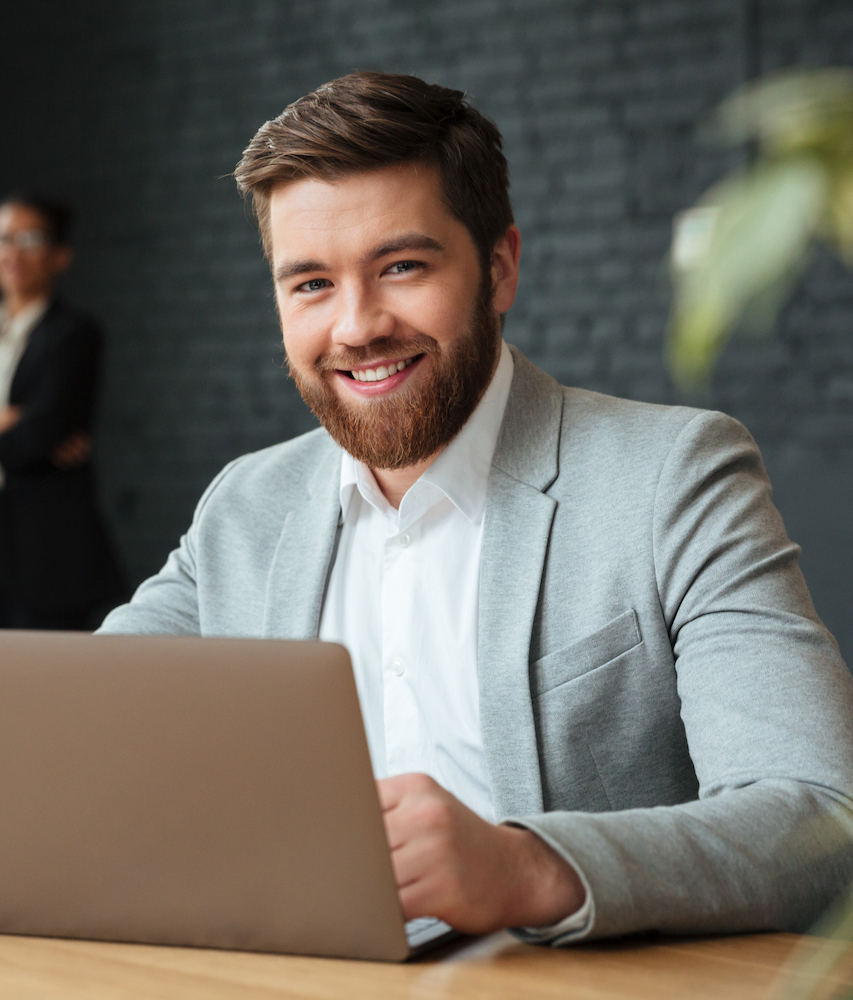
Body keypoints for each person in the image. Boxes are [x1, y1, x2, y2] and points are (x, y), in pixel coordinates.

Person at [99, 72, 853, 943]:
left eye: (402, 267)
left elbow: (819, 822)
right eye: (310, 284)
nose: (356, 326)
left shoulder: (673, 477)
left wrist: (524, 867)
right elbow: (74, 736)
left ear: (498, 268)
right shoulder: (244, 506)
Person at [0, 195, 124, 630]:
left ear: (60, 256)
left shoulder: (72, 334)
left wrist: (28, 429)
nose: (12, 251)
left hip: (42, 550)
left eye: (29, 239)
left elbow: (36, 438)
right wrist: (11, 419)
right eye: (3, 238)